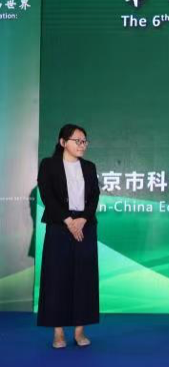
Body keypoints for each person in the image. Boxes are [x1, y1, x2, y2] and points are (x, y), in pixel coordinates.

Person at [37, 124, 100, 348]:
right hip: (59, 226)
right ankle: (58, 333)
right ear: (63, 142)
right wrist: (68, 220)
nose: (82, 145)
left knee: (84, 278)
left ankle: (79, 331)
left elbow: (94, 196)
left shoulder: (89, 167)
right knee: (57, 278)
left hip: (85, 226)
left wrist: (82, 219)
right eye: (77, 141)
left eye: (84, 141)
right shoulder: (49, 165)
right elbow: (47, 195)